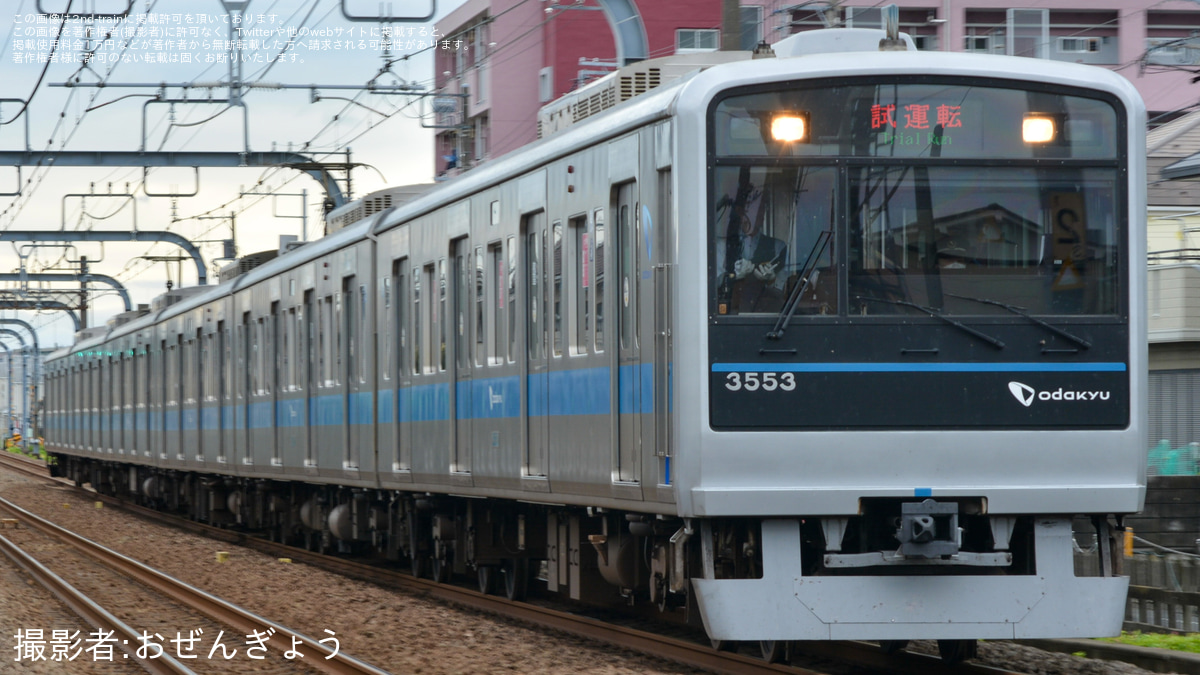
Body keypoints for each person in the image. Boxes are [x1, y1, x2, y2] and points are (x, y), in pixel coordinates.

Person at [715, 183, 787, 314]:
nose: (751, 216)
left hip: (767, 320)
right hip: (727, 319)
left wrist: (771, 279)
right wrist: (733, 276)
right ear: (738, 213)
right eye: (746, 210)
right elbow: (709, 287)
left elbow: (784, 292)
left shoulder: (778, 247)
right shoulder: (720, 246)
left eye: (758, 210)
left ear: (764, 213)